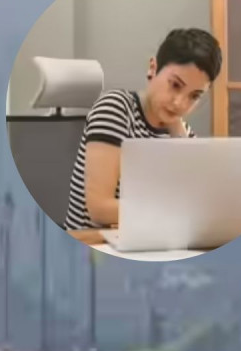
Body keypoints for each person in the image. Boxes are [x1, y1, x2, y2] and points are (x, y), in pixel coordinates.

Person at [63, 28, 222, 231]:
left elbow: (199, 201)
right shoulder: (115, 108)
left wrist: (177, 131)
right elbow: (100, 209)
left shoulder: (183, 132)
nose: (180, 103)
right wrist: (177, 210)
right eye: (175, 85)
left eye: (194, 96)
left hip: (147, 240)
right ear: (153, 68)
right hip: (93, 243)